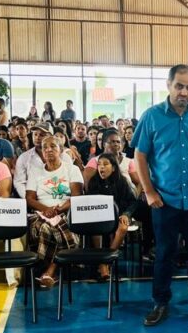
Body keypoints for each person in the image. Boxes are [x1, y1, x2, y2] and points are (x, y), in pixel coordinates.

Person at [133, 64, 188, 326]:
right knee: (164, 253)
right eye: (179, 86)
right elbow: (140, 155)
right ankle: (160, 303)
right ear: (169, 85)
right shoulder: (151, 116)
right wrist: (149, 191)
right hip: (164, 199)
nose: (184, 92)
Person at [26, 134, 83, 288]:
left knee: (48, 228)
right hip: (41, 213)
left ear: (60, 149)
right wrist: (47, 210)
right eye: (45, 147)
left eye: (53, 146)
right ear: (42, 152)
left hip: (66, 211)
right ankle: (53, 269)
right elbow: (30, 199)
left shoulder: (72, 169)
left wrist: (57, 210)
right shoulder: (35, 171)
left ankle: (49, 271)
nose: (49, 150)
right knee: (42, 226)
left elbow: (76, 197)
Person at [86, 153, 139, 280]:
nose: (101, 168)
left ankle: (105, 262)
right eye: (99, 164)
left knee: (123, 228)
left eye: (105, 164)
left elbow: (133, 202)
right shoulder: (94, 182)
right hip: (99, 217)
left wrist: (126, 214)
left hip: (120, 216)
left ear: (114, 167)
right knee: (95, 229)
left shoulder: (122, 182)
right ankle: (101, 261)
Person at [14, 122, 72, 198]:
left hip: (60, 197)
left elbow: (70, 180)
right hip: (32, 199)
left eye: (42, 135)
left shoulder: (64, 157)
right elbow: (19, 183)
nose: (37, 137)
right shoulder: (24, 158)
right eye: (35, 134)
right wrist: (31, 200)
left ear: (51, 136)